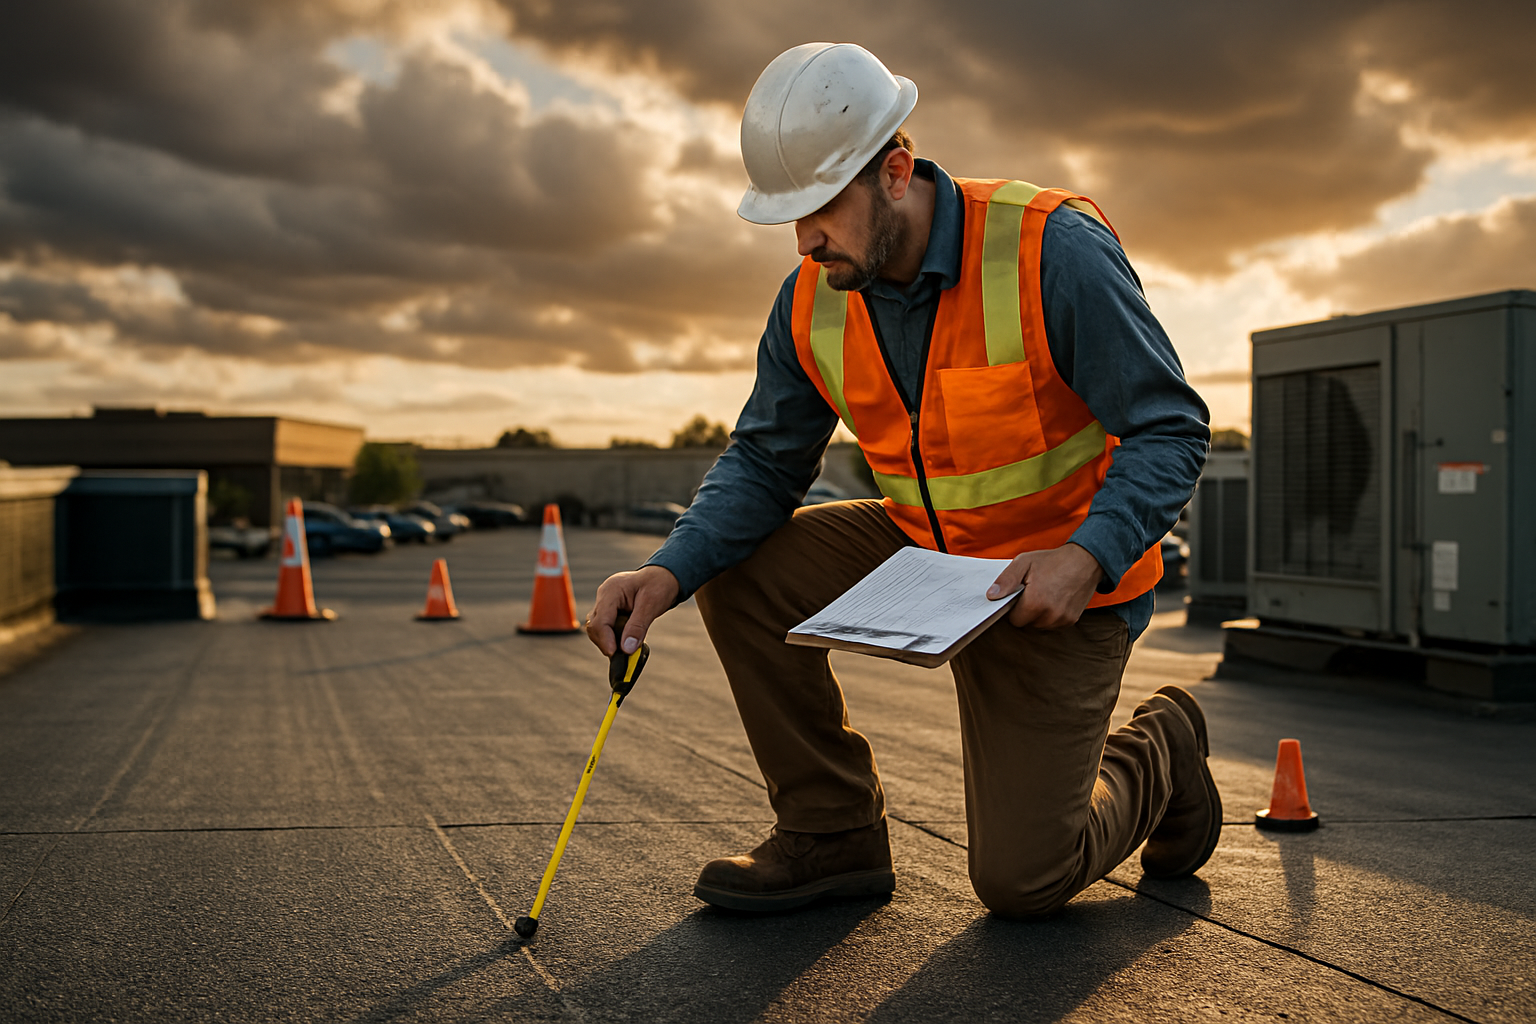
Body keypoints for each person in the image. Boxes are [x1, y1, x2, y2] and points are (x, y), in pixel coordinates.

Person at [586, 42, 1217, 917]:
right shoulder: (812, 297)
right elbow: (766, 461)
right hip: (928, 555)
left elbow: (1170, 427)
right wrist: (666, 569)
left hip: (1059, 581)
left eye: (818, 209)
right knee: (734, 568)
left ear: (895, 170)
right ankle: (831, 831)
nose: (805, 240)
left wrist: (1087, 554)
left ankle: (1163, 746)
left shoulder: (1051, 249)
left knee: (1022, 882)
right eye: (787, 217)